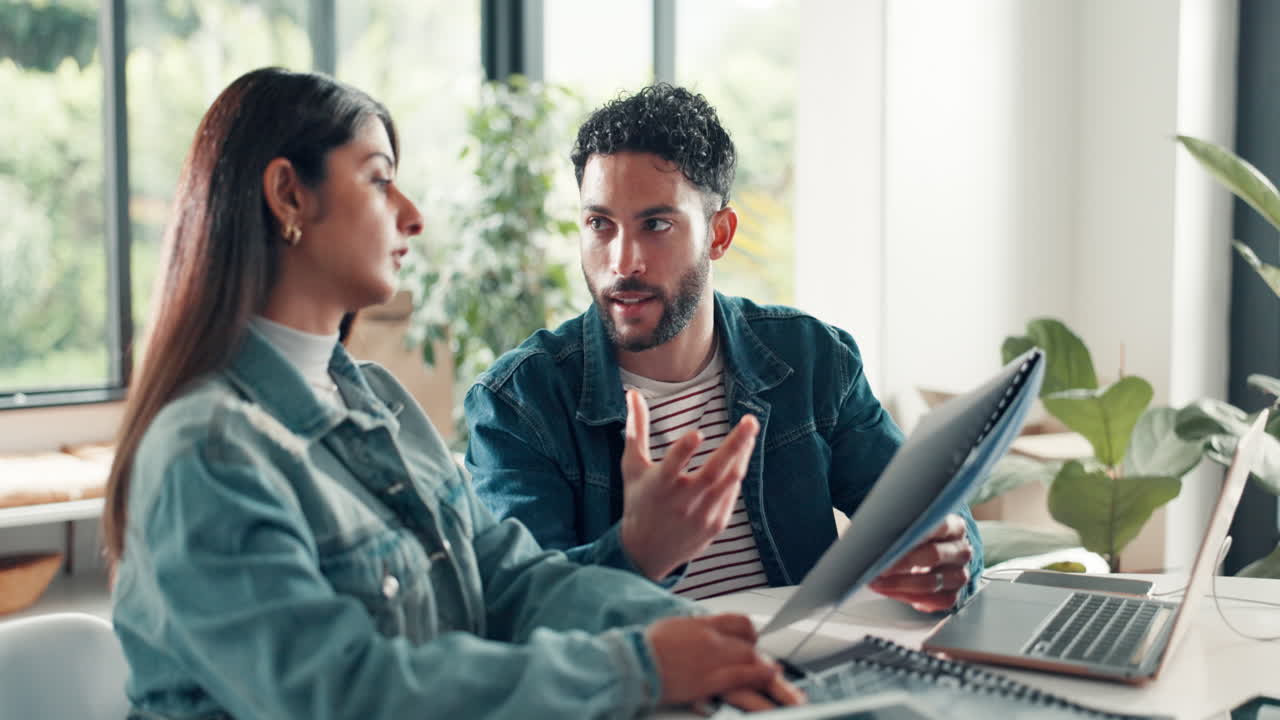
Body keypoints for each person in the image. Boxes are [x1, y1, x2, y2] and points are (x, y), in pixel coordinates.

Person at [103, 68, 801, 719]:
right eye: (380, 182)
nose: (413, 216)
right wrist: (637, 668)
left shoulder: (376, 401)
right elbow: (346, 693)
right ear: (289, 195)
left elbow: (510, 581)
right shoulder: (209, 450)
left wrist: (696, 638)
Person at [466, 84, 983, 612]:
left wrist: (946, 554)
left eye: (656, 224)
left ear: (719, 234)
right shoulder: (519, 403)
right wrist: (636, 552)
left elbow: (930, 514)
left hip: (802, 675)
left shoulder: (810, 359)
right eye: (600, 224)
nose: (623, 262)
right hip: (641, 685)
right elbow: (525, 611)